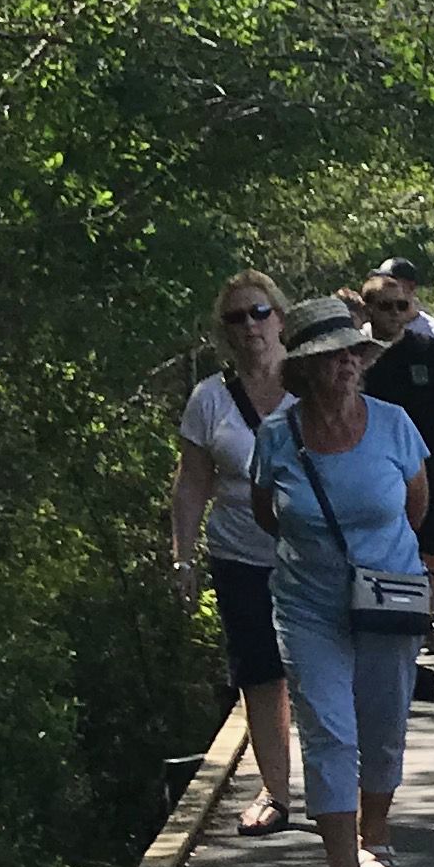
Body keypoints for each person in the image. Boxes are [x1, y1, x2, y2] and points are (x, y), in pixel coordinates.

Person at [249, 291, 432, 867]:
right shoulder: (276, 436)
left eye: (353, 353)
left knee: (382, 725)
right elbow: (266, 512)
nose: (347, 365)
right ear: (302, 370)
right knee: (328, 728)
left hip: (388, 595)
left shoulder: (393, 424)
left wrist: (379, 562)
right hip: (307, 602)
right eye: (332, 358)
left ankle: (373, 836)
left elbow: (416, 507)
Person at [168, 271, 299, 834]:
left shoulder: (312, 382)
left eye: (259, 313)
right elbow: (192, 481)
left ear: (281, 318)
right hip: (240, 553)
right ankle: (276, 791)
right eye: (236, 318)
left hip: (312, 553)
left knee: (322, 673)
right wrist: (183, 556)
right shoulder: (210, 399)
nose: (250, 326)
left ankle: (348, 794)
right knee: (260, 672)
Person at [357, 262, 434, 701]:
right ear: (368, 309)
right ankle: (389, 625)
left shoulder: (429, 350)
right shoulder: (357, 357)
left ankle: (422, 621)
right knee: (384, 547)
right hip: (372, 470)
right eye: (384, 306)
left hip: (428, 461)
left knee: (431, 545)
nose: (393, 313)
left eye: (401, 305)